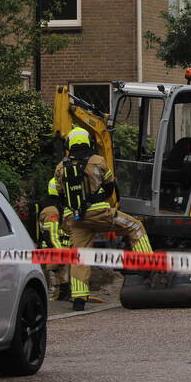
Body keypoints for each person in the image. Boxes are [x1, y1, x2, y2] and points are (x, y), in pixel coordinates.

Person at [56, 127, 154, 311]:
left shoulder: (61, 167)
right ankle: (147, 265)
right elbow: (110, 187)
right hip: (100, 214)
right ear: (88, 142)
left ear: (69, 145)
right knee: (135, 226)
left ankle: (78, 299)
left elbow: (60, 195)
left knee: (79, 256)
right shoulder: (98, 161)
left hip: (76, 219)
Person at [36, 177, 72, 301]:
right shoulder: (51, 210)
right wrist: (60, 252)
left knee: (63, 288)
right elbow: (51, 235)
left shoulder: (57, 207)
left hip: (59, 253)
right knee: (54, 292)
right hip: (52, 254)